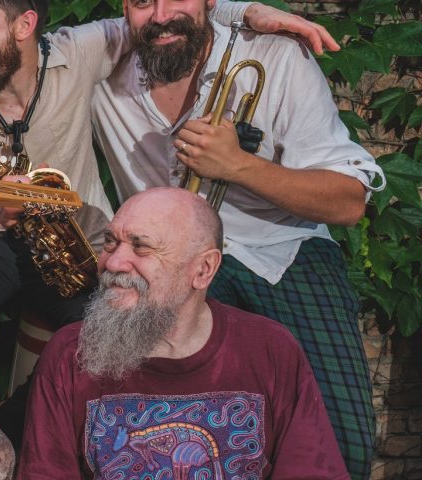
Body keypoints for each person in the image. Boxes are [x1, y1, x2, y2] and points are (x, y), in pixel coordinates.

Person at [0, 0, 337, 428]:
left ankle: (17, 424)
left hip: (78, 247)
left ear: (24, 25)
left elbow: (169, 18)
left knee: (104, 343)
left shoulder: (79, 51)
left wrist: (245, 11)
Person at [88, 0, 384, 476]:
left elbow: (348, 203)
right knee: (144, 439)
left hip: (282, 254)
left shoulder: (275, 56)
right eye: (142, 1)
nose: (160, 15)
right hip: (165, 263)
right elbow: (23, 51)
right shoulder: (103, 55)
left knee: (341, 444)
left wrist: (239, 166)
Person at [17, 187, 345, 478]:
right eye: (111, 242)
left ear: (203, 269)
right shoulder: (71, 352)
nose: (114, 263)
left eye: (141, 247)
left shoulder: (269, 350)